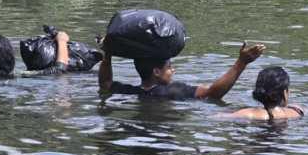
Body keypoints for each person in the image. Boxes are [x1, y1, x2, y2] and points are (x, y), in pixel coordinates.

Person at [100, 41, 264, 102]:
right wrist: (241, 63)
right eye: (169, 67)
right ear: (157, 72)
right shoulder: (173, 90)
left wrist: (107, 54)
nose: (173, 70)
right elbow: (213, 93)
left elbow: (105, 83)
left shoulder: (129, 92)